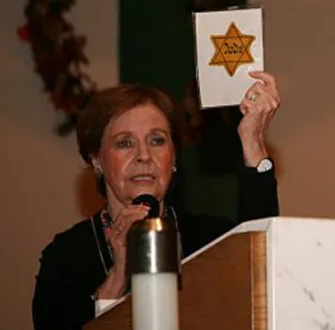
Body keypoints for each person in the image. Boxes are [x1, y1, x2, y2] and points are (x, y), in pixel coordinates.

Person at [31, 71, 282, 330]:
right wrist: (117, 276)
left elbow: (261, 266)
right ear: (96, 159)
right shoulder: (65, 258)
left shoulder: (208, 241)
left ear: (173, 158)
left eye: (157, 140)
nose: (144, 155)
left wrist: (253, 140)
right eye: (125, 143)